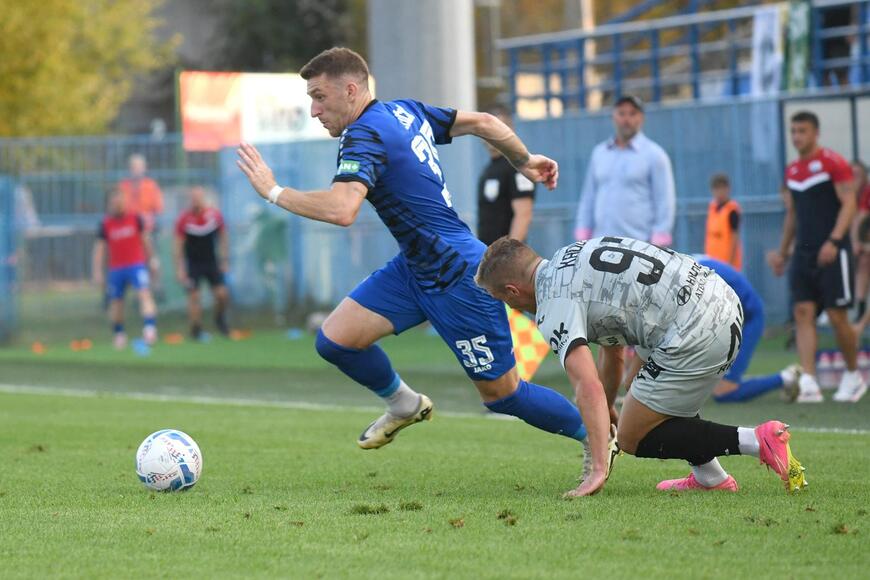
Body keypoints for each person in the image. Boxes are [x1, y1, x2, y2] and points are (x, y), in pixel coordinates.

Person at [235, 47, 615, 486]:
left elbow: (342, 210)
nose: (314, 109)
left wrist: (273, 191)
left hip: (458, 276)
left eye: (320, 97)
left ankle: (598, 437)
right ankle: (403, 404)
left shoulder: (364, 134)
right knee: (335, 341)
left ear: (351, 89)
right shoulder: (404, 111)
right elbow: (486, 124)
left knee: (503, 394)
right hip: (415, 268)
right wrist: (524, 160)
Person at [476, 236, 808, 496]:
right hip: (720, 298)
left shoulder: (552, 306)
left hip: (696, 328)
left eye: (499, 298)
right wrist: (606, 407)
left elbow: (586, 386)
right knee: (649, 397)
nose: (504, 305)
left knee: (633, 436)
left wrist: (597, 466)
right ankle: (710, 477)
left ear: (512, 290)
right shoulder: (572, 252)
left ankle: (758, 440)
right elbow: (614, 351)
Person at [768, 111, 867, 403]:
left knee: (837, 316)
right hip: (803, 253)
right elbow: (793, 216)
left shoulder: (833, 163)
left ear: (816, 133)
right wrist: (783, 252)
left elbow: (849, 204)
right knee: (803, 313)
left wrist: (835, 241)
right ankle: (809, 380)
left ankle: (853, 375)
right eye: (793, 131)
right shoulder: (792, 172)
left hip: (833, 251)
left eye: (802, 131)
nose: (797, 136)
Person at [693, 256, 800, 403]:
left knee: (724, 392)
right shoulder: (681, 266)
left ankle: (787, 378)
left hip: (748, 319)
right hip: (728, 316)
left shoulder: (690, 277)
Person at [573, 95, 675, 246]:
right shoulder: (599, 153)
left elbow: (664, 201)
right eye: (621, 113)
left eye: (632, 113)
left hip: (639, 245)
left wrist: (659, 238)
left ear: (641, 118)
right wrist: (583, 230)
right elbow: (589, 196)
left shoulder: (655, 155)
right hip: (600, 243)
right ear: (613, 117)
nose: (626, 119)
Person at [92, 190, 158, 349]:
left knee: (144, 294)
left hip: (136, 265)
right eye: (114, 203)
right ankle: (119, 334)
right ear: (110, 205)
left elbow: (146, 240)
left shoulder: (135, 219)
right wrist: (97, 271)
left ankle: (149, 329)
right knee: (116, 303)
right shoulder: (105, 224)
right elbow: (99, 249)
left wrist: (153, 260)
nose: (117, 206)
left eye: (120, 202)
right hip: (116, 269)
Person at [174, 186, 230, 340]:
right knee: (194, 297)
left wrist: (225, 260)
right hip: (193, 264)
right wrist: (180, 268)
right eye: (193, 198)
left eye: (198, 197)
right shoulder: (184, 219)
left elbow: (224, 237)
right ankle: (196, 329)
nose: (196, 200)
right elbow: (177, 245)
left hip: (212, 262)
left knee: (222, 295)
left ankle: (219, 319)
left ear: (203, 198)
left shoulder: (214, 215)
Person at [477, 106, 535, 245]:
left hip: (505, 260)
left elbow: (523, 215)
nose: (491, 135)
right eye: (486, 130)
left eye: (497, 128)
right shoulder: (490, 168)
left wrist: (510, 256)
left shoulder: (517, 166)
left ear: (510, 131)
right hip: (489, 254)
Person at [118, 153, 165, 297]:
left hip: (148, 230)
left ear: (144, 168)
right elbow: (120, 208)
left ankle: (156, 290)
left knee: (153, 260)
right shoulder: (123, 186)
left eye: (139, 167)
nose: (136, 170)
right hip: (129, 232)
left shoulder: (151, 186)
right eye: (133, 167)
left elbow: (158, 208)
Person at [704, 174, 742, 270]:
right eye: (716, 189)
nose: (719, 193)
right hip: (712, 260)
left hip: (727, 263)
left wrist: (729, 263)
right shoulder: (712, 208)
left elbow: (735, 237)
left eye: (722, 189)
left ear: (728, 189)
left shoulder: (732, 210)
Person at [850, 160, 870, 322]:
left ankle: (862, 314)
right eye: (852, 174)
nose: (855, 178)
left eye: (858, 174)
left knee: (864, 261)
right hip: (861, 246)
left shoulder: (867, 192)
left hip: (864, 246)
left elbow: (860, 219)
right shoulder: (845, 194)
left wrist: (856, 243)